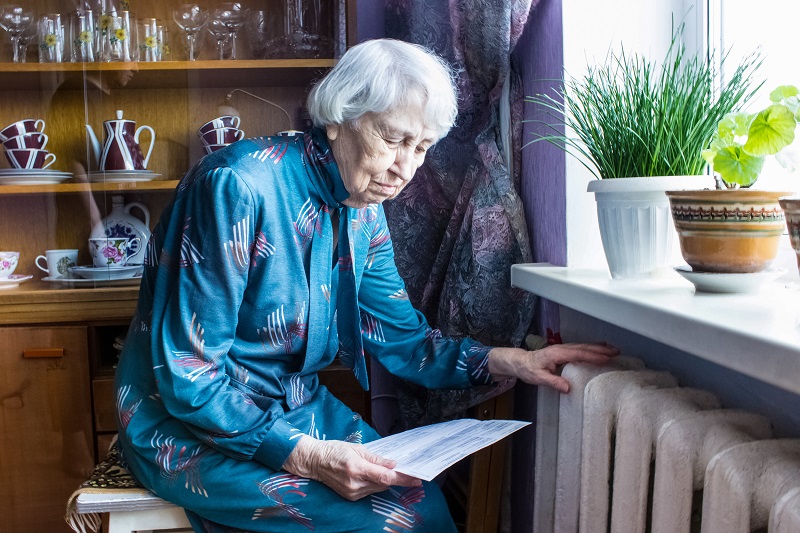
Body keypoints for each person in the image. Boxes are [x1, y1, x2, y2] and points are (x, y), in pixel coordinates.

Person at [113, 38, 618, 532]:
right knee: (398, 519)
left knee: (423, 503)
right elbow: (190, 376)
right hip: (190, 425)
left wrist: (513, 361)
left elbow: (406, 341)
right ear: (338, 117)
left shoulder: (363, 211)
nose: (406, 169)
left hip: (295, 405)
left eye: (422, 147)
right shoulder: (235, 186)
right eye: (393, 139)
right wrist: (308, 457)